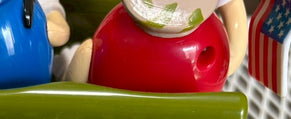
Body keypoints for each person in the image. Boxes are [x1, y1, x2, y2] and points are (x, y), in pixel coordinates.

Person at [65, 0, 247, 92]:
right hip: (120, 51)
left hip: (197, 54)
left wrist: (231, 59)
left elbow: (233, 7)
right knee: (85, 57)